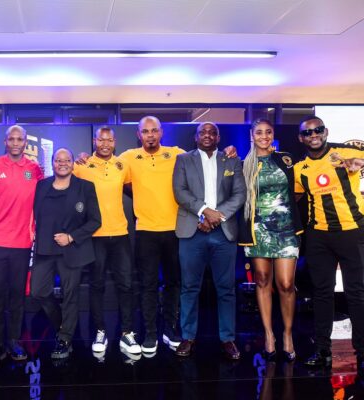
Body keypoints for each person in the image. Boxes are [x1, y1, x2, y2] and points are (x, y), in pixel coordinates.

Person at [294, 115, 364, 378]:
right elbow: (292, 197)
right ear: (301, 138)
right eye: (307, 132)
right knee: (322, 294)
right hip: (318, 237)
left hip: (352, 233)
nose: (314, 135)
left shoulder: (346, 151)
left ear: (325, 132)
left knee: (356, 293)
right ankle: (323, 351)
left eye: (318, 130)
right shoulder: (300, 169)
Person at [172, 121, 246, 360]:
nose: (207, 135)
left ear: (218, 137)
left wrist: (216, 217)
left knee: (226, 288)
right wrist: (205, 211)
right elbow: (180, 192)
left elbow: (240, 194)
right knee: (189, 287)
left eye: (212, 132)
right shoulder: (183, 160)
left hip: (223, 232)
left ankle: (227, 339)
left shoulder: (231, 160)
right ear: (196, 137)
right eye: (202, 132)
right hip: (192, 231)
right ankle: (188, 337)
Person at [117, 116, 185, 354]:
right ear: (139, 135)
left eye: (154, 130)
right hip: (146, 231)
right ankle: (151, 333)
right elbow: (108, 170)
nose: (150, 135)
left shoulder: (176, 153)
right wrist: (84, 158)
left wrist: (227, 153)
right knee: (147, 284)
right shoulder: (129, 157)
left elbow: (203, 164)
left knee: (174, 283)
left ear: (161, 132)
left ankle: (170, 329)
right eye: (145, 131)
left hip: (175, 230)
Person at [238, 118, 303, 362]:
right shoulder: (244, 164)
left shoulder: (286, 159)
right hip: (258, 231)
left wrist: (282, 210)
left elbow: (298, 190)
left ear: (273, 134)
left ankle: (287, 334)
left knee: (286, 283)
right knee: (263, 281)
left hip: (285, 230)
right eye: (259, 132)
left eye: (268, 132)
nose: (264, 136)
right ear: (252, 136)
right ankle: (269, 335)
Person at [73, 127, 141, 357]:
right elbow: (65, 185)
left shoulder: (123, 165)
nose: (105, 144)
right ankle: (100, 331)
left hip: (120, 234)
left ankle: (127, 333)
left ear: (114, 142)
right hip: (94, 236)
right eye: (101, 140)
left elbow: (136, 188)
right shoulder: (82, 165)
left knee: (126, 285)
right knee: (97, 285)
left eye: (109, 140)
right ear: (95, 141)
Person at [0, 125, 43, 367]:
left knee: (17, 295)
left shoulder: (34, 169)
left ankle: (14, 342)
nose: (16, 143)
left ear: (26, 142)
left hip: (22, 241)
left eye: (20, 139)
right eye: (11, 139)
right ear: (5, 142)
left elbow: (43, 197)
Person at [31, 148, 101, 359]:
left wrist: (71, 237)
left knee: (70, 295)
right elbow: (33, 213)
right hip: (45, 249)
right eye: (58, 160)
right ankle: (63, 324)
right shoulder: (41, 185)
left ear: (73, 163)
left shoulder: (85, 187)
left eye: (67, 160)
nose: (62, 163)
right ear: (52, 163)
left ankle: (65, 339)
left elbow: (95, 221)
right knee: (38, 291)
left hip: (72, 249)